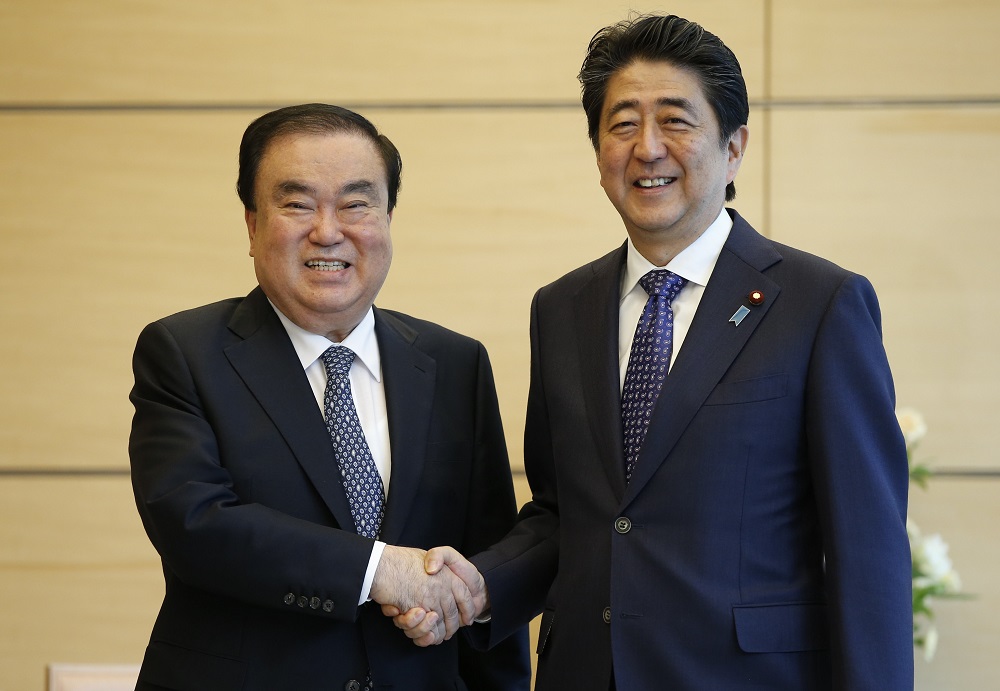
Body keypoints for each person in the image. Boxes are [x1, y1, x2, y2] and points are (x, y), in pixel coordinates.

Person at [392, 14, 913, 690]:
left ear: (733, 148)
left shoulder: (820, 304)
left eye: (676, 120)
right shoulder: (561, 307)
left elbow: (867, 551)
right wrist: (478, 587)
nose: (647, 148)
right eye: (622, 123)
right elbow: (566, 513)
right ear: (598, 152)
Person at [128, 103, 529, 691]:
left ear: (388, 218)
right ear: (251, 224)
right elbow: (196, 525)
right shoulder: (184, 353)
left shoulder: (454, 363)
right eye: (297, 203)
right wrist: (380, 570)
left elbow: (483, 561)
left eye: (356, 203)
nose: (328, 230)